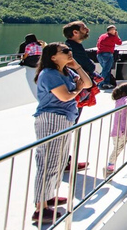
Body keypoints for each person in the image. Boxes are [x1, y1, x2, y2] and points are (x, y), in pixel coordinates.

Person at [31, 42, 93, 224]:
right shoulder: (49, 74)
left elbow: (88, 83)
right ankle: (40, 209)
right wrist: (78, 88)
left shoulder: (66, 71)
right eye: (65, 51)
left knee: (59, 160)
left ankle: (48, 197)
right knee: (47, 161)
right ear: (53, 57)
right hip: (51, 119)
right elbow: (65, 96)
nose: (69, 53)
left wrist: (77, 66)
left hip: (64, 118)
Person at [96, 25, 122, 90]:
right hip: (107, 54)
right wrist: (116, 35)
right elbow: (119, 43)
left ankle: (106, 83)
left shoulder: (101, 36)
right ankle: (100, 84)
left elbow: (97, 44)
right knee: (106, 70)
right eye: (114, 29)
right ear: (110, 30)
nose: (115, 31)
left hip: (99, 54)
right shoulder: (113, 37)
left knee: (106, 69)